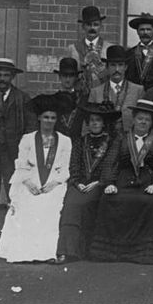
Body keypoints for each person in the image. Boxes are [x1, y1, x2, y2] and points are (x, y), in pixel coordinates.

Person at [89, 99, 153, 264]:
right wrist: (110, 183)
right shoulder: (122, 138)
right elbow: (110, 161)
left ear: (151, 123)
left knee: (151, 202)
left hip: (148, 179)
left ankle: (143, 253)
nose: (143, 122)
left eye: (147, 119)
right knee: (109, 199)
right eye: (140, 118)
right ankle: (112, 251)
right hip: (124, 179)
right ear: (134, 119)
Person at [0, 94, 72, 262]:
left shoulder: (65, 141)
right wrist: (29, 183)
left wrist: (54, 183)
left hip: (53, 182)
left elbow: (65, 169)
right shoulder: (27, 139)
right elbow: (21, 165)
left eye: (52, 118)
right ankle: (24, 252)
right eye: (46, 117)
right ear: (39, 118)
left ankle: (46, 252)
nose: (49, 121)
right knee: (27, 204)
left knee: (50, 206)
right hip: (30, 180)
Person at [55, 101, 118, 264]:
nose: (94, 123)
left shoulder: (112, 142)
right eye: (91, 121)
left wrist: (99, 182)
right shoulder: (80, 141)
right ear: (87, 123)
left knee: (86, 204)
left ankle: (85, 250)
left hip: (99, 184)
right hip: (80, 184)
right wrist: (77, 182)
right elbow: (74, 164)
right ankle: (66, 251)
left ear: (104, 123)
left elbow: (111, 165)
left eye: (98, 120)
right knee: (71, 204)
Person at [0, 57, 36, 246]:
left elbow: (31, 126)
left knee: (15, 193)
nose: (2, 78)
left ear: (12, 77)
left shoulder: (22, 98)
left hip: (13, 153)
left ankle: (15, 235)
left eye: (6, 75)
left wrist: (25, 153)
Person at [88, 45, 144, 134]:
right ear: (107, 67)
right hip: (103, 140)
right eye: (113, 65)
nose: (117, 69)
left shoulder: (138, 90)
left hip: (128, 141)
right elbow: (89, 122)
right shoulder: (95, 92)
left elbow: (142, 120)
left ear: (126, 67)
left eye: (120, 65)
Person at [67, 5, 111, 93]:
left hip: (102, 95)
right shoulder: (73, 49)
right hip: (80, 95)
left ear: (101, 26)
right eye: (88, 24)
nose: (92, 28)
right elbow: (69, 75)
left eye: (96, 25)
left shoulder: (108, 48)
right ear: (83, 26)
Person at [125, 12, 153, 90]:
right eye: (142, 30)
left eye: (148, 29)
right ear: (137, 32)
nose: (145, 32)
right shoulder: (129, 54)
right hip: (135, 95)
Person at [51, 57, 84, 140]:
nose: (68, 79)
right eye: (65, 75)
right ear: (59, 77)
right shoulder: (52, 100)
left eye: (71, 76)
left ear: (76, 77)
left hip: (77, 145)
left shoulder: (83, 100)